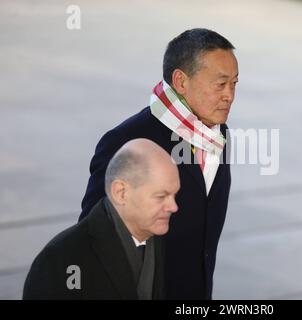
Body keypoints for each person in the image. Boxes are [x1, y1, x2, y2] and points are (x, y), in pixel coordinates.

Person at [79, 28, 238, 299]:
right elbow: (92, 243)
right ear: (181, 81)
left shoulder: (218, 133)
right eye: (220, 84)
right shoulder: (126, 141)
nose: (230, 96)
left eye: (234, 84)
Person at [23, 139, 180, 299]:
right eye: (161, 196)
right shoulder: (60, 258)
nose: (173, 207)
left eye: (174, 195)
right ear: (121, 192)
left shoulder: (157, 238)